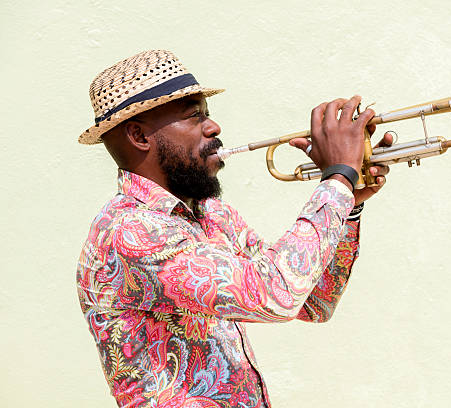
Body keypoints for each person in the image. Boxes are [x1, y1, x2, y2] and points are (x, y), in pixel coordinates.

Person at [77, 49, 391, 407]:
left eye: (207, 114)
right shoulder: (129, 231)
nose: (213, 127)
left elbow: (315, 302)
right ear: (139, 136)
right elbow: (276, 295)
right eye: (194, 116)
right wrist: (337, 180)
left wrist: (349, 203)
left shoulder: (211, 214)